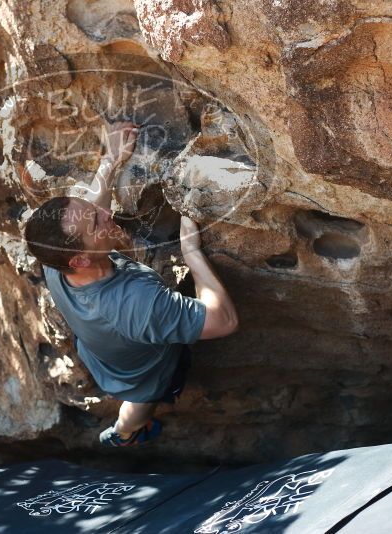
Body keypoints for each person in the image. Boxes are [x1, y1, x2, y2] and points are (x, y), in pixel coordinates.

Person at [23, 121, 239, 447]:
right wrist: (191, 253)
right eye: (97, 223)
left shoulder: (55, 260)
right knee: (140, 404)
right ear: (79, 260)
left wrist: (110, 161)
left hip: (101, 354)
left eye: (93, 211)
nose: (106, 214)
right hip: (146, 375)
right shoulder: (135, 302)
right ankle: (125, 434)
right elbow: (223, 321)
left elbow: (92, 210)